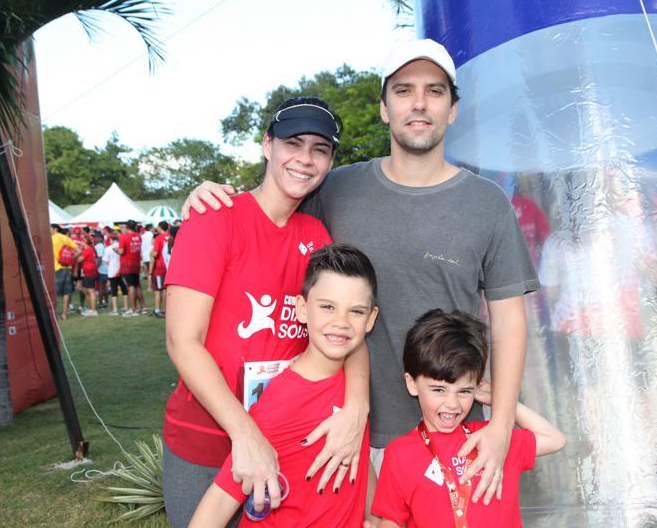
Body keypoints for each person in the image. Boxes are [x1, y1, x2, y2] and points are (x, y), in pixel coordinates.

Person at [182, 38, 539, 504]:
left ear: (453, 110)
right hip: (348, 434)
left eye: (434, 91)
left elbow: (509, 322)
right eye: (404, 90)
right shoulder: (336, 189)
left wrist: (501, 425)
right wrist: (212, 196)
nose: (419, 103)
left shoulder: (487, 203)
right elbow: (273, 203)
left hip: (450, 430)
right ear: (384, 107)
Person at [163, 97, 371, 528]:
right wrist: (245, 433)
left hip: (286, 441)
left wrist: (356, 408)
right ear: (266, 145)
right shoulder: (214, 218)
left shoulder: (316, 236)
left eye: (319, 149)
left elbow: (349, 331)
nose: (305, 159)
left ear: (330, 161)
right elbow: (182, 341)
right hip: (206, 442)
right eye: (293, 143)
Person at [190, 244, 379, 527]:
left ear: (371, 319)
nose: (341, 322)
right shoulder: (281, 402)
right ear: (302, 309)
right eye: (327, 307)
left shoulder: (354, 389)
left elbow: (357, 457)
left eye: (356, 311)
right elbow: (217, 504)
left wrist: (375, 517)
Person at [371, 309, 565, 527]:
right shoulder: (399, 453)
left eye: (464, 391)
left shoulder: (492, 439)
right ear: (412, 384)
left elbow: (555, 440)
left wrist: (500, 399)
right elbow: (391, 520)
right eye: (439, 390)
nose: (452, 404)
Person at [50, 224, 80, 321]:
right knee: (67, 292)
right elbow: (79, 251)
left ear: (55, 229)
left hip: (57, 268)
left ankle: (55, 313)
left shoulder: (51, 238)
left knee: (55, 292)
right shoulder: (66, 238)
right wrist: (71, 259)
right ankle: (64, 314)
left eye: (50, 228)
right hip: (67, 267)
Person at [118, 219, 145, 316]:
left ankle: (133, 308)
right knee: (137, 285)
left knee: (131, 286)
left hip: (127, 264)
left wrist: (116, 250)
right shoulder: (138, 236)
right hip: (136, 263)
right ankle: (143, 307)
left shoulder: (123, 237)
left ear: (126, 227)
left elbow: (121, 251)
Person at [103, 234, 128, 315]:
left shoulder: (108, 249)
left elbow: (106, 260)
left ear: (111, 240)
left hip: (112, 270)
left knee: (114, 289)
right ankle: (126, 306)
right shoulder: (121, 247)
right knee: (124, 288)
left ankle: (115, 309)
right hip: (122, 269)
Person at [150, 220, 170, 318]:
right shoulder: (170, 237)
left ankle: (158, 309)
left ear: (160, 227)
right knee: (165, 289)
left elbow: (155, 253)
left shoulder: (159, 238)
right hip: (168, 266)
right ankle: (165, 309)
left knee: (158, 290)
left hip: (160, 267)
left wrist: (151, 252)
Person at [77, 235, 99, 316]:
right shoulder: (90, 249)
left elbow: (79, 260)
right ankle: (91, 309)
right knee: (88, 290)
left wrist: (78, 252)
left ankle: (93, 310)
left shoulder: (87, 250)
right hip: (89, 271)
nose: (80, 243)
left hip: (89, 271)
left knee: (91, 291)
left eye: (81, 241)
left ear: (84, 242)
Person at [94, 232, 109, 308]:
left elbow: (99, 258)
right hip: (105, 268)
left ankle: (101, 302)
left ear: (100, 239)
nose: (94, 239)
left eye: (96, 237)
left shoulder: (99, 246)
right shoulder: (103, 245)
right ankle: (106, 302)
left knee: (101, 286)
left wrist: (96, 267)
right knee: (104, 286)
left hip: (101, 269)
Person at [141, 223, 154, 291]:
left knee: (149, 272)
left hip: (144, 255)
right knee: (152, 272)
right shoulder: (152, 235)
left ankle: (149, 287)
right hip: (151, 254)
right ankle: (151, 286)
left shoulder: (142, 236)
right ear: (150, 228)